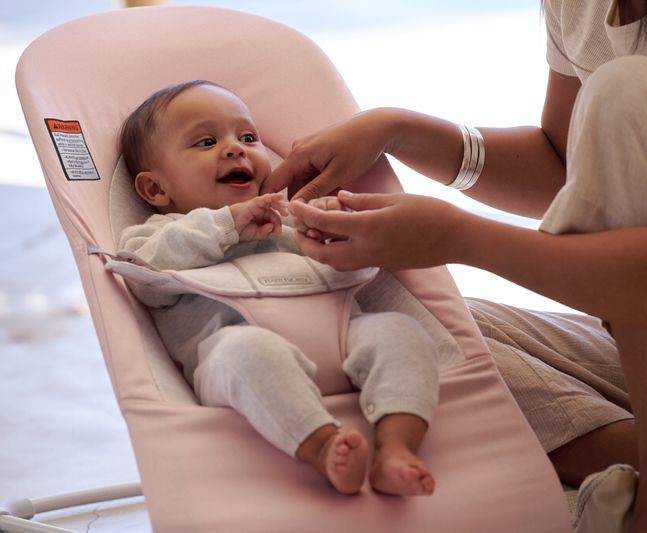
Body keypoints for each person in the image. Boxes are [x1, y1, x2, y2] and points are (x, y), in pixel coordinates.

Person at [264, 1, 647, 531]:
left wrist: (458, 237)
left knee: (629, 92)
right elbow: (562, 163)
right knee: (420, 332)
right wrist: (397, 130)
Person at [116, 80, 439, 497]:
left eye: (248, 138)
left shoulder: (287, 219)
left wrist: (332, 225)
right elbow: (144, 272)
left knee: (401, 332)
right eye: (206, 142)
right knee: (243, 355)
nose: (235, 149)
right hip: (241, 352)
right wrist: (226, 224)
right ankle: (323, 446)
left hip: (342, 336)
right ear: (156, 189)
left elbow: (354, 260)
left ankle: (396, 448)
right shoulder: (159, 233)